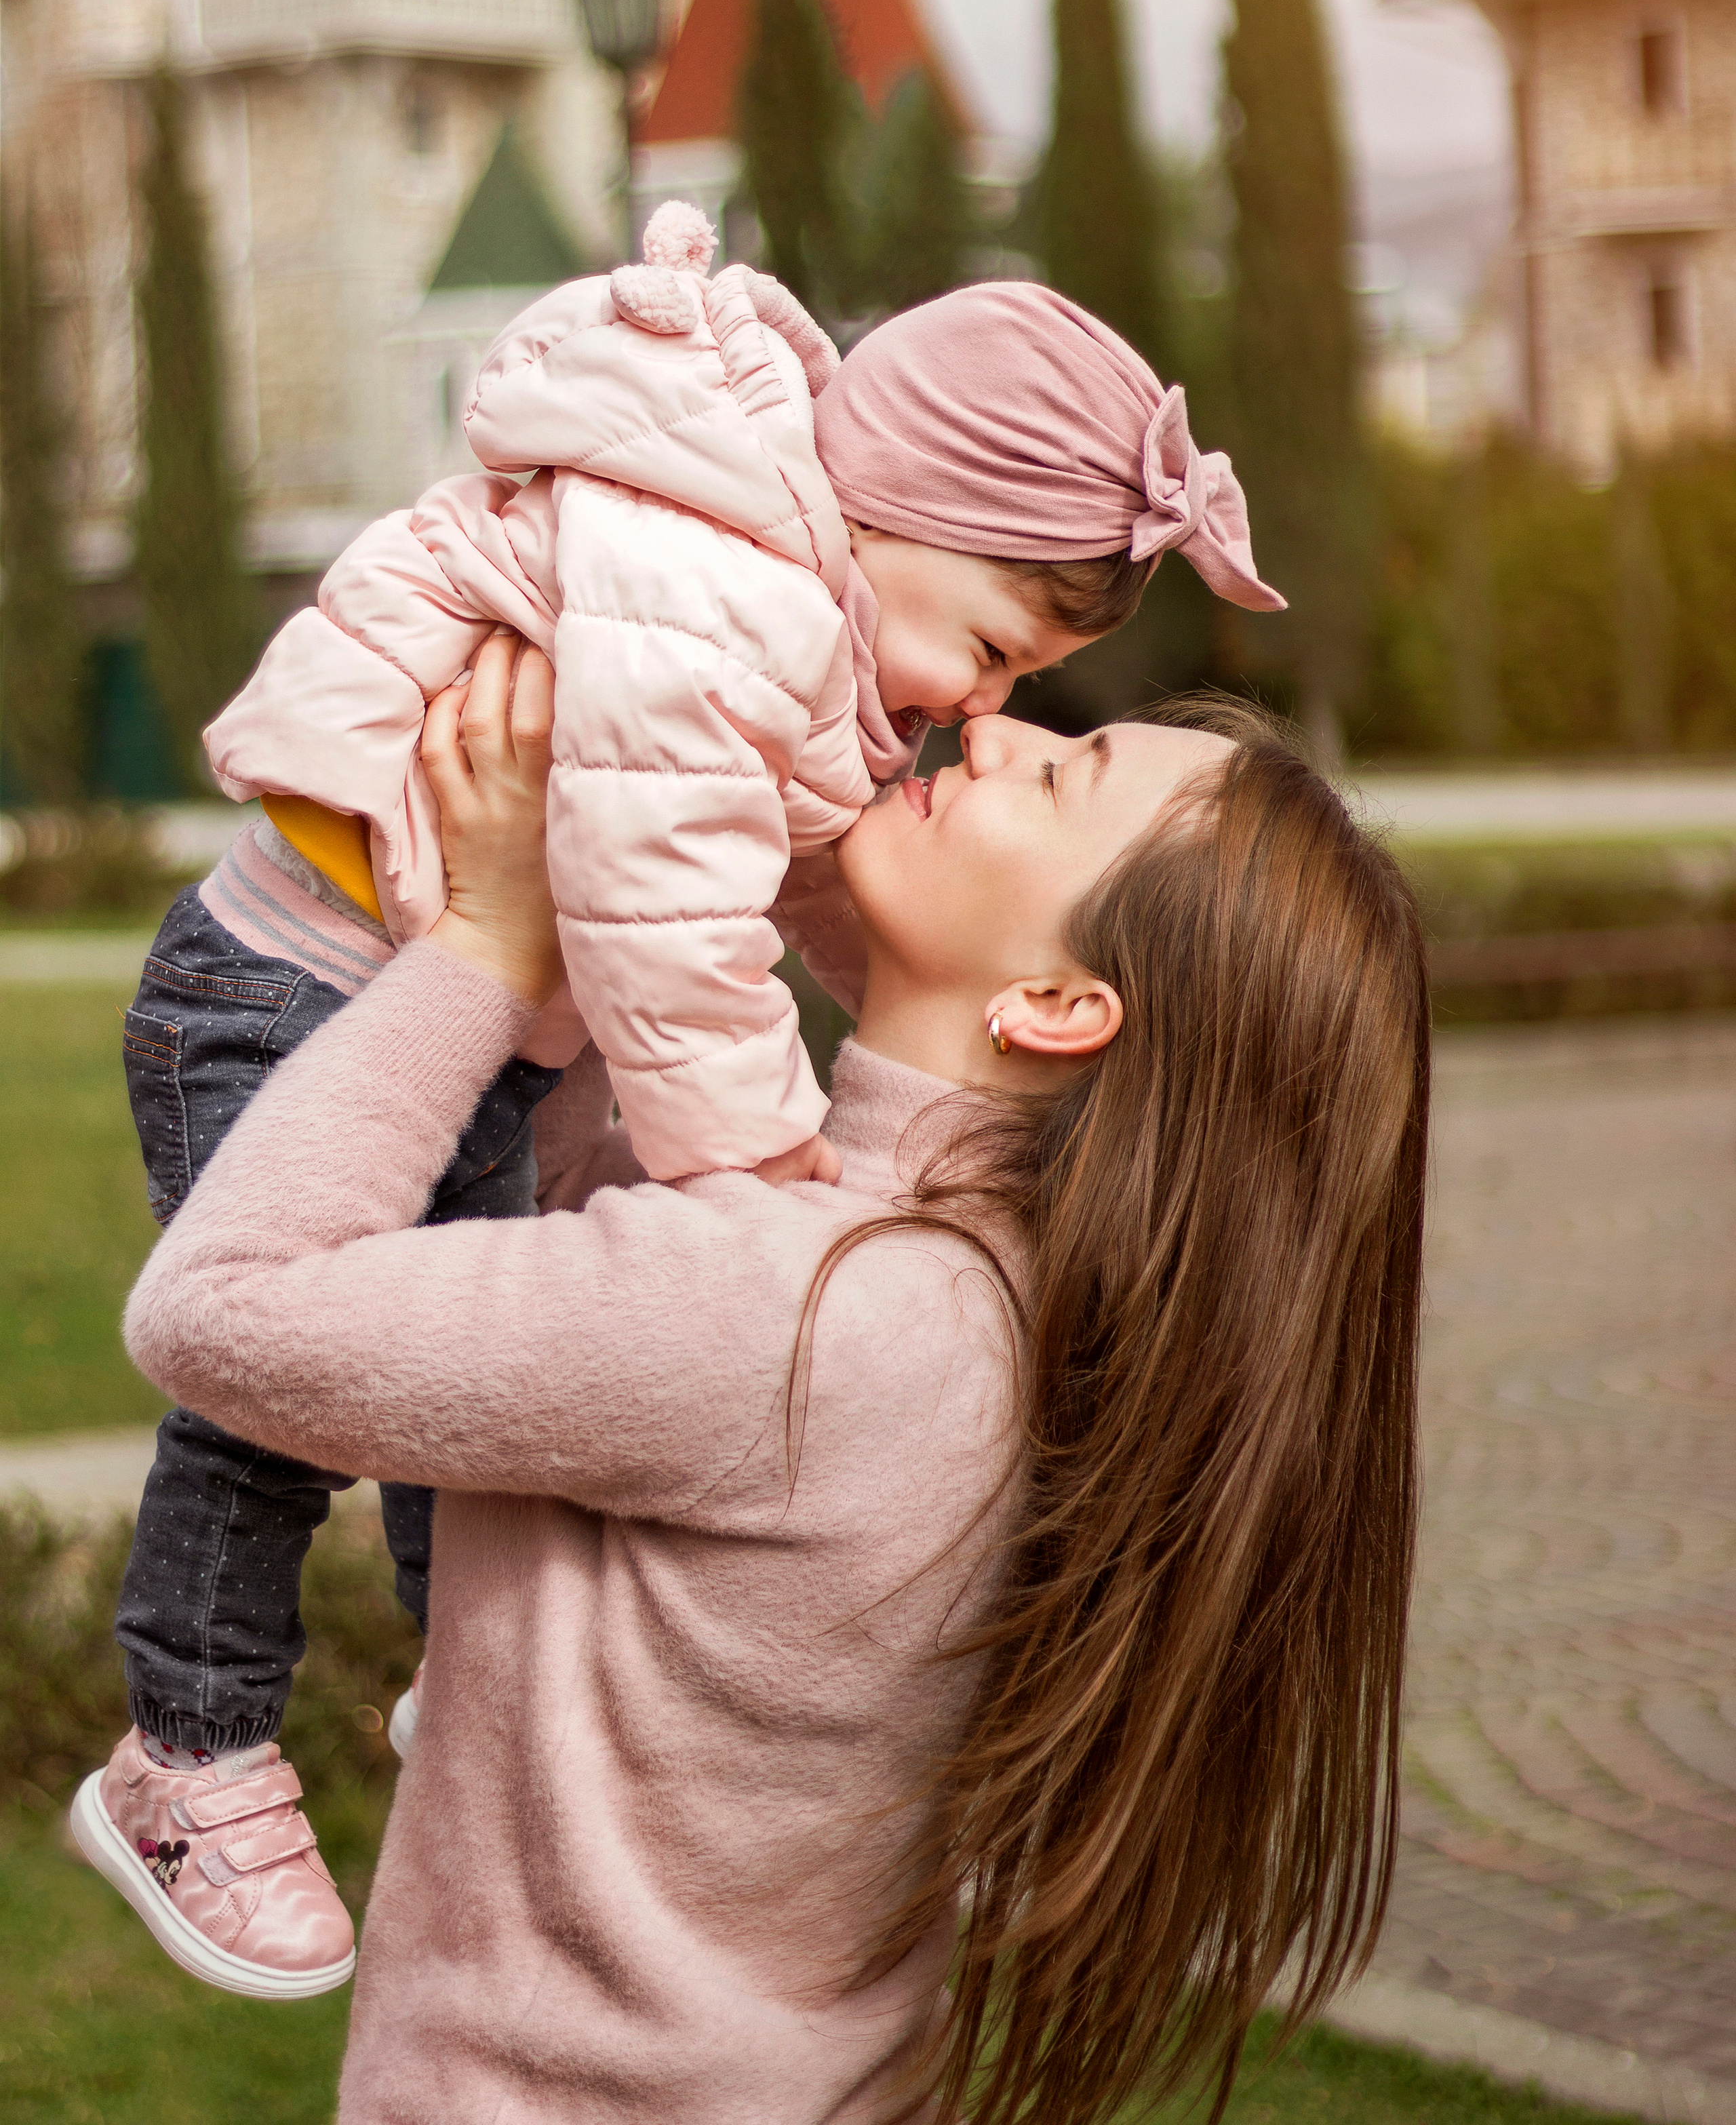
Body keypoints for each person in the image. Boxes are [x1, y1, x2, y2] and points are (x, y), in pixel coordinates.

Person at [95, 207, 1286, 1991]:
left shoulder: (786, 595)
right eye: (995, 649)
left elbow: (794, 873)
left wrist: (866, 1067)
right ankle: (186, 1748)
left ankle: (466, 1694)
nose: (978, 709)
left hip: (415, 994)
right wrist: (757, 1160)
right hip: (287, 990)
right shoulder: (727, 587)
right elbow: (655, 908)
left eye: (1027, 691)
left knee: (451, 1384)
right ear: (905, 515)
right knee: (283, 1415)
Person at [79, 633, 1429, 2124]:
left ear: (1056, 1007)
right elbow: (591, 1220)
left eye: (1059, 778)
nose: (994, 736)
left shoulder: (809, 1311)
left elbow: (224, 1313)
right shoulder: (955, 1283)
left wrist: (479, 946)